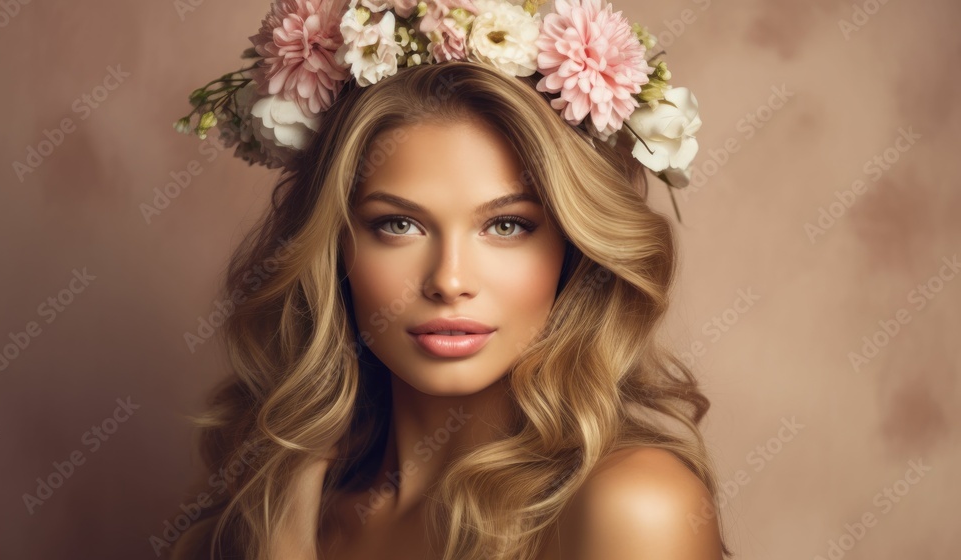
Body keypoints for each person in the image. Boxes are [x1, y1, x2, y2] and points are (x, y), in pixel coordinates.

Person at [169, 2, 727, 559]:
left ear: (574, 251)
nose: (449, 280)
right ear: (332, 246)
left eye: (507, 225)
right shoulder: (280, 499)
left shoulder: (633, 506)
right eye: (399, 224)